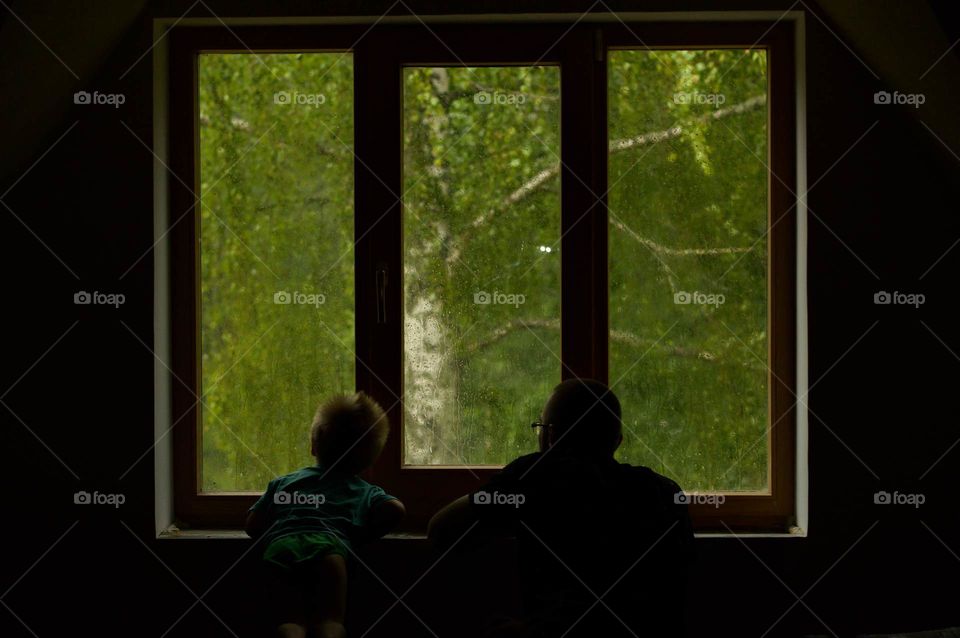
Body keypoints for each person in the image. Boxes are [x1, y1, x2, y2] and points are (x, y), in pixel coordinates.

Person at [428, 379, 694, 637]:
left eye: (541, 427)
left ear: (550, 436)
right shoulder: (664, 492)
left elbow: (441, 530)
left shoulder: (534, 478)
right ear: (617, 441)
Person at [246, 392, 405, 638]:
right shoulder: (362, 490)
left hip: (281, 549)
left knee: (289, 622)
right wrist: (359, 535)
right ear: (368, 461)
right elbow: (396, 510)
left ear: (313, 444)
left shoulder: (283, 483)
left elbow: (252, 524)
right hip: (329, 551)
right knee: (330, 622)